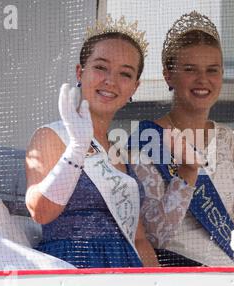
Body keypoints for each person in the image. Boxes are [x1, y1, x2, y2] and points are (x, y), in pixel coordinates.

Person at [25, 15, 159, 268]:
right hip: (72, 270)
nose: (110, 80)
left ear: (135, 87)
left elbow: (139, 239)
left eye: (125, 74)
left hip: (125, 272)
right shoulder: (51, 137)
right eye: (100, 67)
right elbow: (40, 212)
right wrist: (76, 150)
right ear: (80, 71)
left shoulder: (120, 153)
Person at [129, 11, 234, 267]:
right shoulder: (148, 139)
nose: (203, 80)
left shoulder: (225, 137)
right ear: (168, 75)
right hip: (183, 277)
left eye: (212, 70)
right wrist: (187, 174)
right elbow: (154, 235)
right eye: (190, 69)